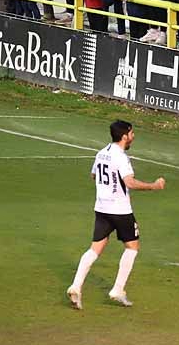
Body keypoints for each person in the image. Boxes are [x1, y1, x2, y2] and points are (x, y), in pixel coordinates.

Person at [67, 120, 165, 310]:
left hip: (102, 208)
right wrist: (154, 186)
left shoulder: (101, 152)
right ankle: (118, 289)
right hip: (120, 211)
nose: (133, 136)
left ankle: (76, 285)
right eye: (132, 133)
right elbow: (130, 183)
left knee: (95, 249)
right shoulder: (121, 157)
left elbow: (94, 175)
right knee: (132, 247)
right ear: (124, 136)